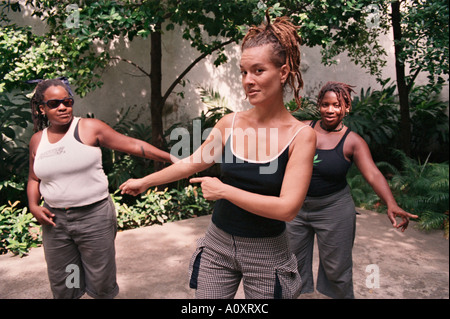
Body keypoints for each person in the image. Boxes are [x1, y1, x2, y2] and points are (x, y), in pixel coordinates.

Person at [119, 15, 316, 299]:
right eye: (244, 72)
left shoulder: (301, 136)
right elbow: (192, 162)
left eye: (258, 71)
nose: (248, 81)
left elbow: (287, 209)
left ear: (283, 72)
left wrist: (224, 190)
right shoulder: (230, 123)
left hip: (267, 252)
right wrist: (145, 181)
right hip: (218, 244)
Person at [27, 78, 173, 299]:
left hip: (94, 217)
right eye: (54, 103)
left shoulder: (88, 128)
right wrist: (33, 206)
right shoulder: (38, 140)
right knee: (67, 281)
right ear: (42, 108)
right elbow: (33, 178)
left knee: (100, 281)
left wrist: (174, 159)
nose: (63, 107)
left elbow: (134, 145)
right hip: (55, 222)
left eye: (67, 101)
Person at [286, 81, 419, 299]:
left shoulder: (352, 142)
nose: (330, 110)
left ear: (346, 108)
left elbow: (374, 174)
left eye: (337, 105)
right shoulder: (301, 129)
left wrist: (391, 203)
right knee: (290, 265)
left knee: (337, 269)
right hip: (295, 208)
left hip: (334, 209)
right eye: (325, 104)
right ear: (319, 105)